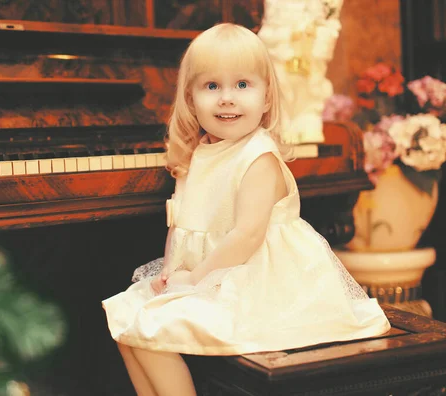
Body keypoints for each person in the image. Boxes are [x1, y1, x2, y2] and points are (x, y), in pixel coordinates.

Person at [102, 23, 390, 396]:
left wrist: (195, 279)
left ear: (267, 97)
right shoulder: (198, 154)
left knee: (150, 330)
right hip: (213, 274)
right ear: (190, 100)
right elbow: (181, 221)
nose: (227, 98)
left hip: (260, 284)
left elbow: (247, 235)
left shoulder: (258, 157)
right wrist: (172, 269)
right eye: (211, 86)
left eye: (242, 85)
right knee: (127, 322)